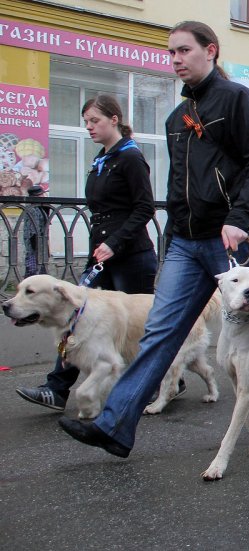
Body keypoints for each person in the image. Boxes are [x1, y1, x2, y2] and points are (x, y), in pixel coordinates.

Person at [57, 21, 249, 456]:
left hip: (227, 236)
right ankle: (115, 426)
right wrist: (170, 239)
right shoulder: (177, 117)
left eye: (183, 51)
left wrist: (240, 218)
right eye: (170, 52)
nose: (175, 59)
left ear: (210, 51)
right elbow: (178, 185)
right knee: (159, 330)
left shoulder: (235, 100)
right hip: (185, 242)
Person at [16, 95, 159, 412]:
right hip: (103, 256)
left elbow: (144, 208)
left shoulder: (130, 158)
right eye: (86, 122)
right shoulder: (103, 158)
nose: (89, 127)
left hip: (131, 256)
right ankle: (57, 389)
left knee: (140, 326)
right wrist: (101, 246)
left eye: (95, 121)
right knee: (73, 317)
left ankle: (163, 382)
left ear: (114, 119)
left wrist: (115, 242)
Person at [23, 184, 50, 279]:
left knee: (40, 268)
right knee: (33, 268)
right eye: (41, 195)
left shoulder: (39, 207)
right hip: (35, 244)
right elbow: (32, 228)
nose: (43, 196)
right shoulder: (33, 209)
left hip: (40, 242)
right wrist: (36, 244)